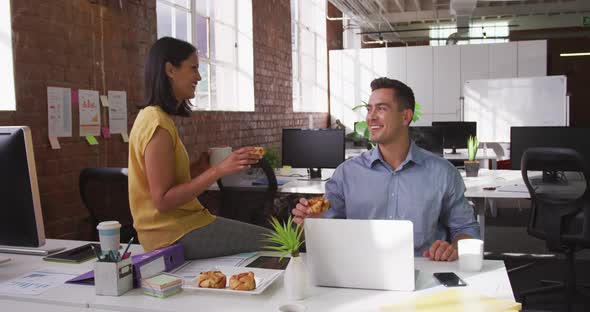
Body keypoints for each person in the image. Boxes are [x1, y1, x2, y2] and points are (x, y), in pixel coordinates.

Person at [292, 77, 480, 261]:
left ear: (405, 116)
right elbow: (327, 234)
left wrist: (454, 249)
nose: (370, 117)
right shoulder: (346, 174)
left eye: (381, 108)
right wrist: (312, 224)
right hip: (359, 273)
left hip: (423, 274)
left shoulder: (443, 173)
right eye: (369, 109)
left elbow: (466, 229)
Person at [128, 37, 269, 259]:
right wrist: (218, 170)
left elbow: (167, 183)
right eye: (193, 68)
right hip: (171, 232)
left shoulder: (155, 119)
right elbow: (163, 200)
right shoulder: (156, 124)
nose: (199, 77)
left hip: (181, 225)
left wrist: (199, 169)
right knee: (276, 241)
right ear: (170, 70)